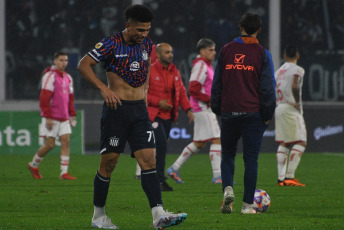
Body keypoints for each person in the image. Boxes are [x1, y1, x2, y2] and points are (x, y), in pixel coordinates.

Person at [77, 5, 187, 229]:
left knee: (149, 161)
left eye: (147, 30)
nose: (144, 34)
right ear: (128, 25)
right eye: (139, 29)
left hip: (139, 111)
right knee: (109, 163)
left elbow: (146, 67)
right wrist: (103, 89)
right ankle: (99, 216)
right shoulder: (110, 43)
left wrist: (144, 93)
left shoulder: (146, 43)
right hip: (116, 110)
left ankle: (158, 215)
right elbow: (83, 65)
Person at [211, 13, 276, 214]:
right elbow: (267, 87)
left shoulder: (226, 50)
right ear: (259, 30)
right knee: (250, 159)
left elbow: (217, 82)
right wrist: (267, 113)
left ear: (240, 28)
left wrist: (217, 108)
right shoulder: (263, 53)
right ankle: (248, 205)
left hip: (230, 112)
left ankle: (228, 192)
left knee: (228, 155)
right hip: (253, 114)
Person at [136, 43, 194, 191]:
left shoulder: (174, 71)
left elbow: (181, 91)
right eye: (167, 52)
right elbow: (142, 92)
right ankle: (159, 180)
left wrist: (188, 109)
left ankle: (148, 175)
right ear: (159, 55)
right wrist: (158, 102)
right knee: (161, 145)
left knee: (158, 148)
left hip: (169, 116)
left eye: (171, 52)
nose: (171, 55)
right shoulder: (149, 71)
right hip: (153, 115)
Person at [166, 38, 222, 184]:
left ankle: (174, 168)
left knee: (199, 143)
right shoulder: (201, 65)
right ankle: (217, 176)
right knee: (216, 139)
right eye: (211, 49)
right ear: (202, 51)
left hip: (202, 108)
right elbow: (193, 88)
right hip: (203, 108)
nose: (214, 52)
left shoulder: (206, 65)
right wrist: (210, 100)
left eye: (214, 49)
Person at [27, 51, 77, 180]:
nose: (63, 63)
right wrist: (48, 117)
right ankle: (33, 165)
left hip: (64, 117)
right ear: (55, 61)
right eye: (61, 60)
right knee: (50, 145)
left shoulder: (68, 77)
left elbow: (70, 99)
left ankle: (63, 173)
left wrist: (72, 114)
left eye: (65, 60)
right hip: (52, 116)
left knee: (66, 141)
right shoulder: (50, 76)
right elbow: (44, 98)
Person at [275, 45, 307, 187]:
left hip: (280, 106)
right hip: (290, 107)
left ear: (284, 55)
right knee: (301, 142)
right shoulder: (297, 69)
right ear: (298, 55)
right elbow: (295, 85)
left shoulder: (278, 71)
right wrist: (297, 102)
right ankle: (289, 177)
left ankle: (281, 179)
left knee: (285, 143)